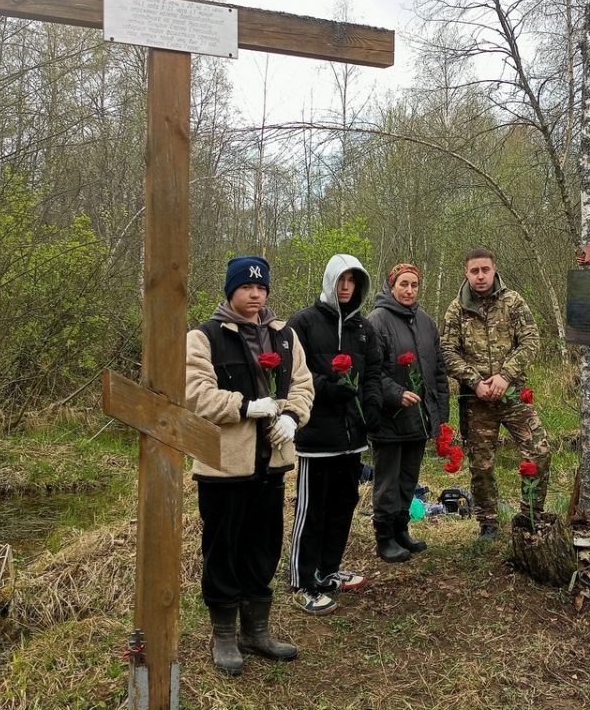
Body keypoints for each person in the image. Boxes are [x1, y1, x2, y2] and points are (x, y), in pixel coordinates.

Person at [186, 254, 313, 676]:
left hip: (272, 461)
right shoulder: (203, 337)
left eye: (261, 288)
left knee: (263, 546)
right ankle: (223, 634)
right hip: (223, 464)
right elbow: (196, 395)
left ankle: (255, 630)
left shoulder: (284, 336)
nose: (255, 294)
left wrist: (293, 417)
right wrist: (245, 406)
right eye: (246, 287)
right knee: (223, 548)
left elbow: (302, 385)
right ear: (231, 291)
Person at [288, 254, 383, 615]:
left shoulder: (363, 328)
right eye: (341, 280)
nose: (346, 287)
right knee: (312, 510)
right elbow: (291, 372)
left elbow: (373, 370)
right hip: (316, 436)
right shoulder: (303, 322)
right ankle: (302, 580)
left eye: (353, 281)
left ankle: (327, 570)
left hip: (352, 436)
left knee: (343, 506)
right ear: (330, 281)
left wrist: (371, 405)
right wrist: (325, 387)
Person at [440, 247, 549, 540]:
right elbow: (448, 352)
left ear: (494, 269)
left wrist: (505, 375)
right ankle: (488, 522)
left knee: (538, 450)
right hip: (477, 400)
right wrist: (475, 381)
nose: (480, 276)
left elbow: (530, 341)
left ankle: (530, 516)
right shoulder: (456, 309)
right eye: (474, 271)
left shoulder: (513, 302)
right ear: (466, 272)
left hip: (513, 396)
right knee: (481, 462)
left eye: (484, 270)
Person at [367, 262, 451, 562]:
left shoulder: (426, 322)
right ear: (392, 286)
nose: (409, 290)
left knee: (408, 477)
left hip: (420, 417)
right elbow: (371, 370)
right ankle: (385, 536)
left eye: (414, 285)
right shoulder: (377, 320)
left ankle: (401, 529)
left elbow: (438, 371)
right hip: (390, 418)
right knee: (387, 480)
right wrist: (395, 393)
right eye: (404, 284)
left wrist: (440, 416)